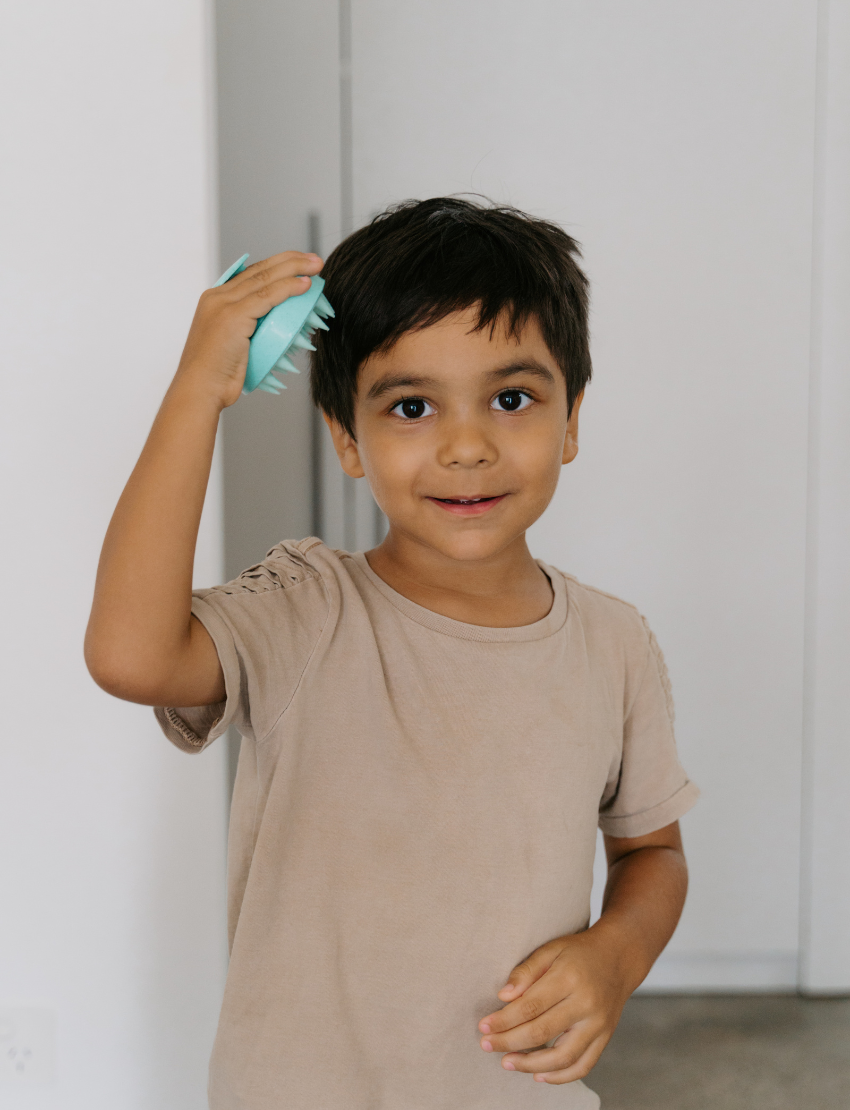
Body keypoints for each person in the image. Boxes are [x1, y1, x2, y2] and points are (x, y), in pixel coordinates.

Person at [85, 197, 699, 1109]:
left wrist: (616, 955)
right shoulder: (303, 608)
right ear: (347, 439)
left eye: (512, 398)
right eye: (411, 406)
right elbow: (131, 655)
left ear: (571, 420)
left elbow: (653, 851)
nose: (466, 446)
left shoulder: (614, 643)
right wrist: (197, 393)